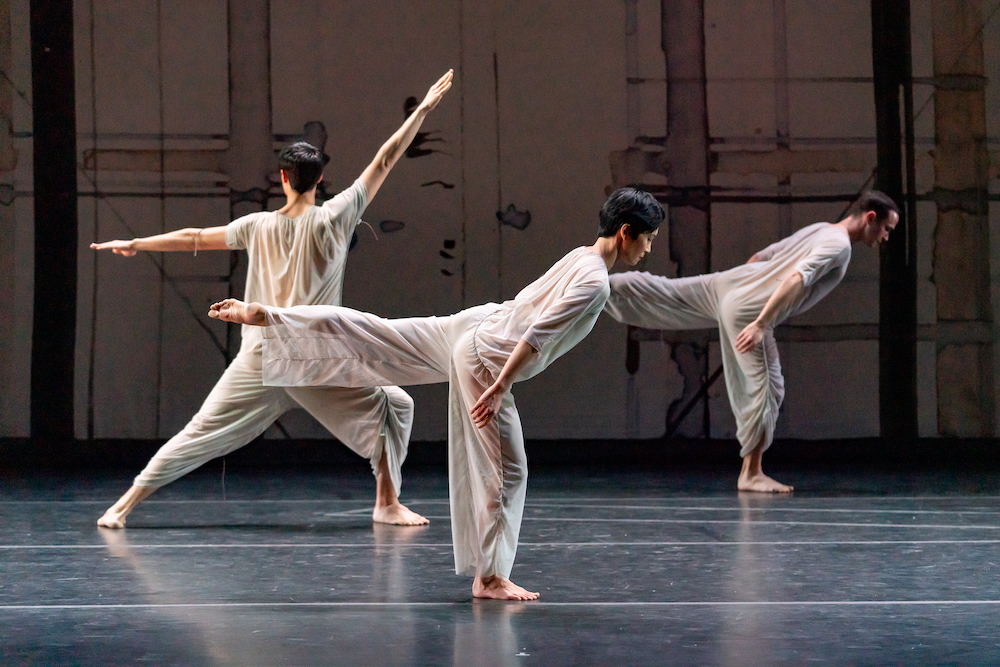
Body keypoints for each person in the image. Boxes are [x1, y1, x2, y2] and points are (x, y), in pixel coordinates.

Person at [206, 187, 664, 600]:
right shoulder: (595, 281)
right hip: (488, 356)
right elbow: (538, 335)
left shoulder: (581, 256)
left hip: (479, 324)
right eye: (648, 238)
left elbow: (528, 310)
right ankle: (489, 579)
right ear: (626, 232)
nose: (649, 247)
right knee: (508, 472)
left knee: (376, 333)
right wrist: (498, 386)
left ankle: (269, 315)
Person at [90, 70, 455, 529]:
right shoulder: (335, 218)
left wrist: (137, 242)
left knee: (199, 434)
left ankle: (121, 507)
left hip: (261, 359)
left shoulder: (256, 225)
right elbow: (383, 161)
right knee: (396, 406)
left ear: (282, 177)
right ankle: (386, 502)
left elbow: (194, 237)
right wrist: (421, 110)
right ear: (320, 178)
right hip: (310, 362)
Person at [604, 191, 900, 493]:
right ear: (870, 218)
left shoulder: (822, 229)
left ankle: (595, 286)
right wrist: (759, 322)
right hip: (749, 309)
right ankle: (751, 473)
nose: (886, 237)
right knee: (769, 389)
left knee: (666, 292)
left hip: (733, 284)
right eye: (887, 229)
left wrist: (743, 289)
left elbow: (763, 257)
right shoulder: (839, 246)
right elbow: (797, 278)